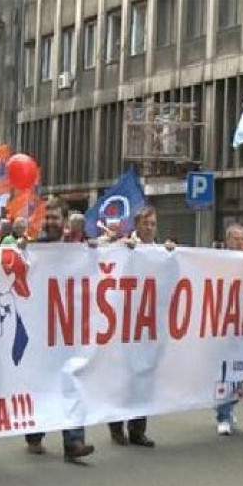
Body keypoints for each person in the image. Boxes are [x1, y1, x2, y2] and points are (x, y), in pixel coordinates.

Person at [24, 196, 96, 461]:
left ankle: (74, 442)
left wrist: (95, 251)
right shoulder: (34, 248)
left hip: (68, 330)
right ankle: (34, 433)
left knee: (71, 382)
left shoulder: (78, 249)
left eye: (55, 217)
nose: (51, 222)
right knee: (43, 384)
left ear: (65, 222)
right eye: (48, 217)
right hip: (40, 331)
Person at [105, 206, 162, 447]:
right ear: (137, 225)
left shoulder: (161, 251)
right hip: (127, 323)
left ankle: (138, 429)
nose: (150, 228)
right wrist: (121, 249)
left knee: (145, 377)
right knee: (125, 376)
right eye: (146, 223)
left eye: (153, 223)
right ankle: (117, 425)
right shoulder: (125, 247)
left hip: (150, 323)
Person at [214, 223, 243, 436]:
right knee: (226, 372)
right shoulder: (217, 260)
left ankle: (228, 404)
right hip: (223, 325)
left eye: (242, 238)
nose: (239, 242)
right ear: (227, 240)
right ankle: (223, 415)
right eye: (235, 238)